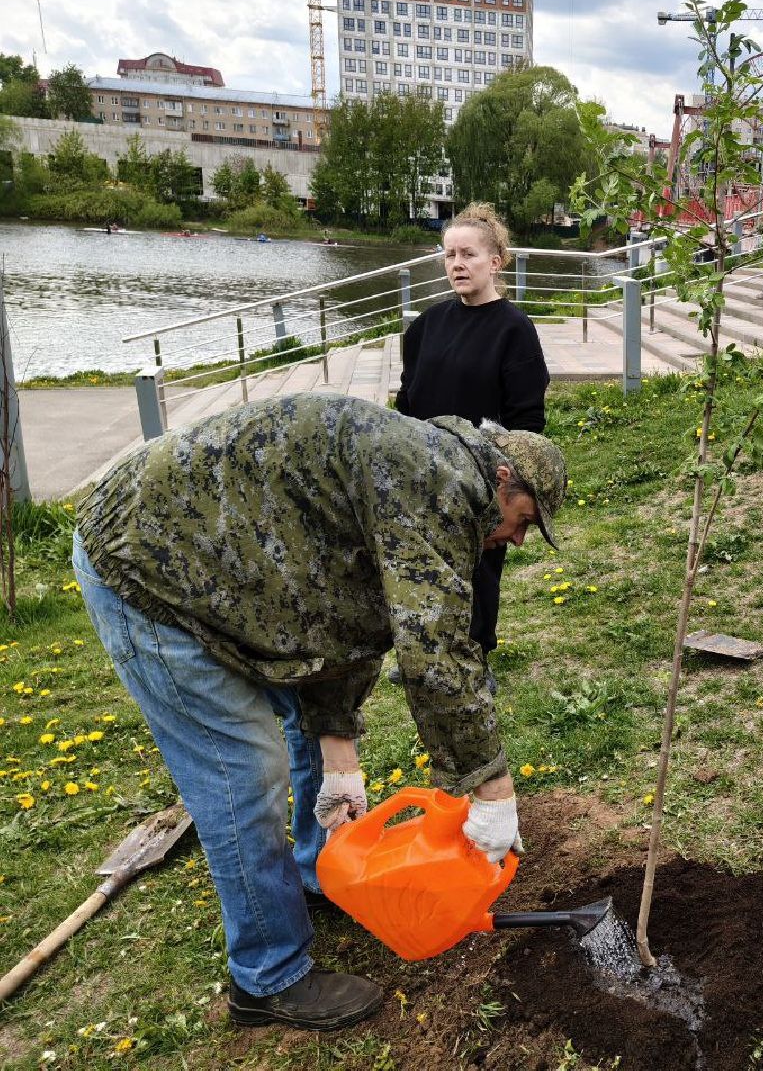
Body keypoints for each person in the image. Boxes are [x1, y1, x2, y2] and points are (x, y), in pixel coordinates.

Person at [72, 392, 566, 1031]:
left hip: (228, 563)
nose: (516, 539)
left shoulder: (424, 474)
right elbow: (436, 651)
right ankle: (268, 975)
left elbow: (344, 616)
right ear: (502, 479)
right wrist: (491, 788)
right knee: (244, 773)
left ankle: (321, 874)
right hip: (148, 566)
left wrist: (339, 755)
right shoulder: (434, 483)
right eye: (523, 520)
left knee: (306, 742)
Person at [396, 201, 548, 657]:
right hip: (422, 477)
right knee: (419, 577)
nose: (457, 264)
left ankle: (476, 660)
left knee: (476, 586)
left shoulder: (514, 330)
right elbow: (406, 402)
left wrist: (508, 486)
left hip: (481, 488)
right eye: (450, 255)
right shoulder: (426, 326)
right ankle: (424, 658)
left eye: (469, 254)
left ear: (495, 262)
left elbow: (527, 424)